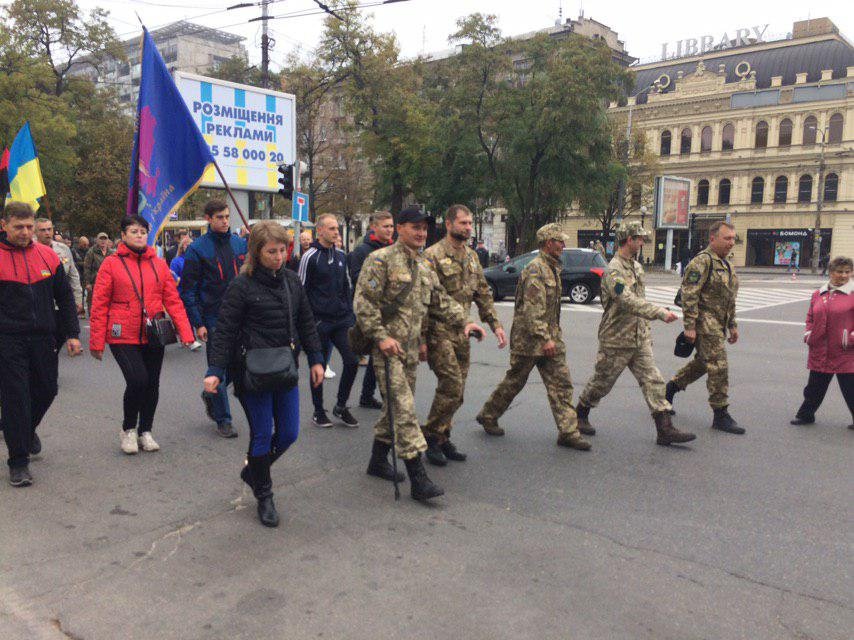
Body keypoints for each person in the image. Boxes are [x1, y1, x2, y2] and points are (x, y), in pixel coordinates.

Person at [353, 207, 483, 502]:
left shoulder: (424, 267)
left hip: (410, 352)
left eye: (424, 228)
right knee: (405, 409)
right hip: (387, 351)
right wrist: (381, 336)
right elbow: (363, 304)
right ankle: (418, 479)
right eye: (415, 227)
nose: (421, 233)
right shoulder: (380, 260)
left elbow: (440, 301)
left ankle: (376, 460)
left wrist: (466, 321)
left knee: (394, 410)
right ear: (399, 228)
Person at [204, 221, 325, 527]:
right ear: (256, 253)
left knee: (288, 434)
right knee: (261, 435)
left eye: (283, 250)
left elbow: (307, 322)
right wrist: (215, 371)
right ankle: (265, 495)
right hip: (251, 374)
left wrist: (316, 359)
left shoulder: (291, 282)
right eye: (272, 251)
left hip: (284, 368)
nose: (279, 256)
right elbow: (225, 331)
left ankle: (254, 471)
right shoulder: (240, 286)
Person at [575, 222, 696, 446]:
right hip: (616, 338)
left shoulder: (636, 267)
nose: (642, 243)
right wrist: (658, 313)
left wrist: (650, 323)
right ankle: (580, 413)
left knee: (653, 380)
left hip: (638, 338)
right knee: (602, 382)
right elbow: (628, 301)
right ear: (628, 239)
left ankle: (665, 429)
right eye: (639, 239)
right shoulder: (614, 270)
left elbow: (639, 299)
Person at [476, 223, 591, 451]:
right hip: (530, 340)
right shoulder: (536, 269)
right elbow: (532, 309)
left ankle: (568, 432)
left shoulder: (552, 267)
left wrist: (552, 337)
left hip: (550, 338)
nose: (563, 245)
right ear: (549, 243)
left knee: (561, 383)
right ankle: (488, 414)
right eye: (560, 241)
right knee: (515, 381)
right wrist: (544, 338)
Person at [89, 216, 195, 455]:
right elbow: (99, 304)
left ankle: (145, 430)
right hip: (121, 333)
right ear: (123, 235)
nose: (139, 235)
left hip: (153, 331)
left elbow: (173, 300)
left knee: (152, 383)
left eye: (142, 232)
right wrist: (96, 342)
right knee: (138, 380)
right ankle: (128, 429)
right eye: (133, 231)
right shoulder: (111, 264)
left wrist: (186, 332)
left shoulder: (158, 264)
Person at [0, 202, 81, 486]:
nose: (25, 232)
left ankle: (20, 429)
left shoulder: (48, 256)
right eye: (18, 227)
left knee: (47, 389)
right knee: (16, 398)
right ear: (4, 226)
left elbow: (65, 298)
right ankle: (18, 462)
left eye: (29, 227)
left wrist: (72, 333)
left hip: (44, 337)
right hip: (8, 340)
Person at [422, 205, 507, 465]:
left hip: (463, 334)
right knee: (451, 385)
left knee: (457, 393)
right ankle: (431, 437)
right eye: (463, 223)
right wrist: (421, 340)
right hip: (438, 332)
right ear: (449, 224)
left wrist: (496, 325)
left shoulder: (471, 257)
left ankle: (442, 437)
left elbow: (482, 292)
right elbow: (424, 301)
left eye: (470, 223)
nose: (468, 227)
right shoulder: (431, 256)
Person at [666, 221, 743, 434]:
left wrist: (733, 325)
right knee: (719, 365)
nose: (731, 242)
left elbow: (730, 298)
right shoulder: (702, 262)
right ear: (713, 238)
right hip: (704, 323)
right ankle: (721, 413)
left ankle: (671, 388)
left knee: (702, 363)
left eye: (733, 238)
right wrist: (690, 326)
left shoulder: (726, 264)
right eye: (727, 238)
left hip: (719, 324)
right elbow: (689, 295)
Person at [180, 199, 248, 439]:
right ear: (208, 218)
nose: (225, 221)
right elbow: (188, 290)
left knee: (240, 366)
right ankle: (224, 419)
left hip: (242, 316)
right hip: (214, 316)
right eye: (220, 217)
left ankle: (210, 394)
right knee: (218, 364)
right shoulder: (198, 249)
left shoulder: (240, 244)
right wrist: (198, 322)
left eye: (227, 216)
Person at [298, 214, 360, 428]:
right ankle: (318, 410)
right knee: (319, 366)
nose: (336, 232)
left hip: (341, 320)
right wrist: (308, 322)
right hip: (319, 321)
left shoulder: (342, 255)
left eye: (337, 229)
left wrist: (350, 314)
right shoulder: (310, 256)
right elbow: (301, 290)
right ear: (320, 231)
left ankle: (341, 406)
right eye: (332, 228)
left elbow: (347, 287)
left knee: (352, 360)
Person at [790, 256, 853, 429]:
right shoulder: (819, 294)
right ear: (831, 272)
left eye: (847, 272)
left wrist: (850, 337)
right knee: (814, 388)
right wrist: (808, 333)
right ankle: (806, 415)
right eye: (839, 271)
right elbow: (810, 316)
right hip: (820, 349)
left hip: (845, 352)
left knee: (851, 390)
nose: (843, 275)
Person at [347, 211, 395, 410]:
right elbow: (358, 278)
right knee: (372, 353)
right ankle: (352, 399)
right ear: (374, 227)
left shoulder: (393, 249)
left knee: (380, 355)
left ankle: (368, 395)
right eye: (386, 226)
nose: (390, 230)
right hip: (369, 310)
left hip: (388, 311)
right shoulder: (361, 251)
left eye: (392, 226)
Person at [35, 218, 83, 320]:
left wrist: (78, 299)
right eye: (43, 230)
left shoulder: (63, 248)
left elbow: (73, 274)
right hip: (39, 305)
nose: (47, 233)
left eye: (49, 229)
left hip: (62, 303)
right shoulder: (31, 250)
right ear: (35, 232)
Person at [83, 232, 114, 316]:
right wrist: (88, 283)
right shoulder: (91, 252)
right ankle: (93, 316)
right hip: (94, 281)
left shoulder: (112, 252)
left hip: (108, 281)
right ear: (97, 240)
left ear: (108, 241)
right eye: (101, 239)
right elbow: (87, 268)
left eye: (105, 239)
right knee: (93, 302)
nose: (103, 241)